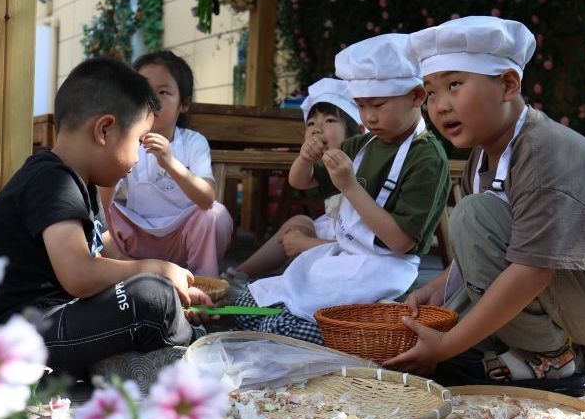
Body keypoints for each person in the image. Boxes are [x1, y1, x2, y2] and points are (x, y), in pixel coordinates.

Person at [385, 16, 585, 395]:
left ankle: (550, 359)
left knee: (473, 217)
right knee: (449, 310)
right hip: (578, 293)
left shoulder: (544, 152)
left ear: (508, 85)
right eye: (431, 93)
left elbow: (532, 272)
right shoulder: (482, 157)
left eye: (454, 85)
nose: (440, 105)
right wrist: (438, 286)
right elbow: (491, 250)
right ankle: (577, 350)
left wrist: (447, 344)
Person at [0, 57, 213, 382]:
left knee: (155, 293)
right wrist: (156, 270)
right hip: (14, 340)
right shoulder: (51, 181)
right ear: (104, 130)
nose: (138, 156)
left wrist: (172, 288)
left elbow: (111, 259)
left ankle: (149, 354)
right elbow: (80, 274)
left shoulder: (83, 185)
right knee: (151, 298)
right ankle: (193, 357)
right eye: (138, 141)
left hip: (52, 323)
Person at [233, 34, 451, 343]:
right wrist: (305, 159)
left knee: (298, 325)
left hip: (384, 270)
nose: (369, 116)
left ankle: (303, 330)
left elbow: (400, 242)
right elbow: (300, 182)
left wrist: (349, 186)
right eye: (361, 106)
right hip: (346, 258)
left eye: (378, 104)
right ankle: (278, 322)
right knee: (254, 301)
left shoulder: (427, 158)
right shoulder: (363, 144)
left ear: (416, 96)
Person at [100, 51, 234, 277]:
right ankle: (124, 269)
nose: (151, 100)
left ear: (184, 104)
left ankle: (202, 282)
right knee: (101, 211)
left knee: (215, 215)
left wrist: (170, 162)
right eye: (143, 90)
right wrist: (114, 155)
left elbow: (207, 198)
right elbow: (103, 203)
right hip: (136, 240)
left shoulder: (193, 142)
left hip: (181, 240)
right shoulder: (124, 141)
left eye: (163, 92)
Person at [223, 78, 362, 284]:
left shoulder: (363, 163)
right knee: (298, 223)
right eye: (311, 123)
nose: (317, 128)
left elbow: (360, 246)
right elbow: (298, 181)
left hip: (357, 245)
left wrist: (305, 244)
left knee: (306, 244)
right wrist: (305, 159)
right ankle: (240, 274)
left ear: (357, 131)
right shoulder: (327, 163)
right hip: (334, 232)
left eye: (330, 120)